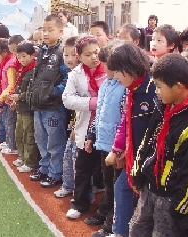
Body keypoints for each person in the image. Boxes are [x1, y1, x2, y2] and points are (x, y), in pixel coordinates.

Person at [129, 53, 188, 237]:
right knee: (137, 230)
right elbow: (148, 141)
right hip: (150, 187)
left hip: (171, 197)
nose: (156, 91)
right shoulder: (162, 106)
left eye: (159, 87)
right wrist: (138, 173)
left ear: (179, 87)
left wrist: (180, 206)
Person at [92, 42, 156, 237]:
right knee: (122, 189)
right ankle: (119, 231)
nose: (115, 76)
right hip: (133, 157)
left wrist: (130, 153)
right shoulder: (131, 88)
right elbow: (125, 122)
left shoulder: (152, 90)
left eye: (117, 71)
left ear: (129, 68)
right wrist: (117, 149)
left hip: (148, 160)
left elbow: (154, 133)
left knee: (143, 205)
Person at [62, 36, 107, 219]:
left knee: (106, 171)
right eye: (88, 54)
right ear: (79, 56)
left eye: (96, 52)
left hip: (107, 128)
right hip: (87, 125)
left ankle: (106, 210)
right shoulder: (75, 74)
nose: (94, 57)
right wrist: (92, 103)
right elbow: (67, 99)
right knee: (82, 169)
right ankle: (79, 203)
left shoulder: (109, 68)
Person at [83, 40, 125, 234]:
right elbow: (98, 113)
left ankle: (111, 223)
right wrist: (91, 134)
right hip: (103, 142)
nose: (104, 67)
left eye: (107, 64)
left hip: (116, 147)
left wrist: (119, 149)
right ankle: (105, 212)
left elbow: (124, 120)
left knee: (117, 187)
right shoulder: (106, 84)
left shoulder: (124, 87)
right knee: (109, 183)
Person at [29, 14, 70, 188]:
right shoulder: (42, 51)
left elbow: (67, 77)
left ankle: (55, 173)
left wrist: (53, 93)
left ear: (60, 31)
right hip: (39, 104)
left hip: (53, 106)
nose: (45, 33)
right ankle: (44, 168)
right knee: (41, 139)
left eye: (50, 30)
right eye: (44, 30)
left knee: (55, 142)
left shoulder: (62, 52)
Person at [53, 36, 79, 198]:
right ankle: (69, 185)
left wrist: (76, 123)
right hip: (73, 120)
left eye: (73, 54)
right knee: (68, 155)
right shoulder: (69, 73)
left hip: (82, 124)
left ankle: (80, 192)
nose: (69, 59)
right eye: (66, 55)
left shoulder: (81, 75)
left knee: (77, 159)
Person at [8, 42, 39, 172]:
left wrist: (19, 97)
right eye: (19, 57)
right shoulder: (24, 69)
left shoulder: (34, 70)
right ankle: (22, 156)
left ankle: (30, 162)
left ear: (33, 55)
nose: (21, 60)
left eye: (24, 56)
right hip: (21, 108)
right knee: (19, 134)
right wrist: (15, 99)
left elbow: (33, 92)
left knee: (29, 135)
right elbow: (19, 88)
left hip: (28, 109)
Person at [0, 39, 18, 154]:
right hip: (8, 98)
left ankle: (12, 146)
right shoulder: (6, 63)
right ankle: (9, 142)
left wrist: (2, 97)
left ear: (4, 52)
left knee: (10, 122)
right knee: (7, 121)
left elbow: (11, 84)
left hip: (10, 99)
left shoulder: (10, 64)